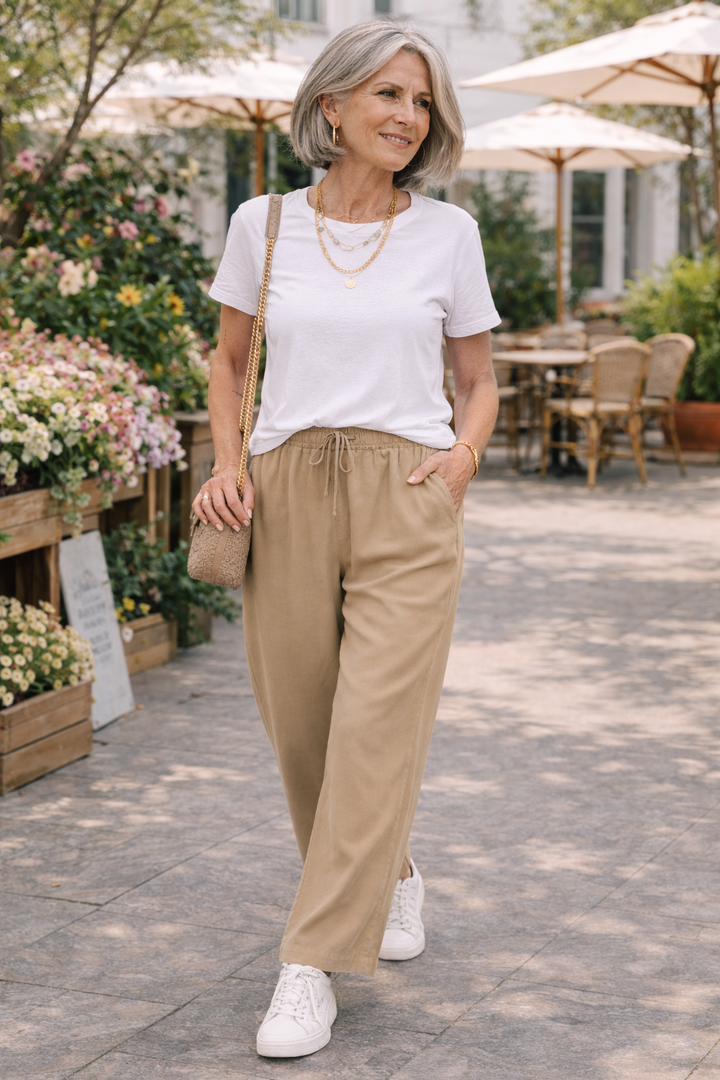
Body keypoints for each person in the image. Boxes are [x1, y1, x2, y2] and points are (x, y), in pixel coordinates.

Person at [192, 19, 500, 1060]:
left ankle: (308, 964)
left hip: (406, 491)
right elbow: (230, 366)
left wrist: (459, 462)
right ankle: (393, 874)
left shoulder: (448, 234)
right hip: (282, 488)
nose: (410, 119)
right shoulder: (262, 224)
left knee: (376, 725)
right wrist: (230, 465)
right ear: (332, 106)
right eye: (389, 97)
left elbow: (479, 381)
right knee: (306, 729)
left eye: (422, 103)